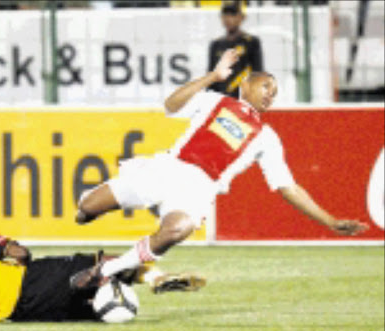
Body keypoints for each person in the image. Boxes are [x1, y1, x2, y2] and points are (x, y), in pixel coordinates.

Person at [70, 48, 369, 290]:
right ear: (246, 85)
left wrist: (329, 221)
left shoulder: (267, 137)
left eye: (275, 92)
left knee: (178, 229)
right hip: (167, 168)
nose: (270, 94)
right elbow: (171, 105)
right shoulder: (214, 101)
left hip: (199, 187)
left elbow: (287, 187)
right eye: (266, 86)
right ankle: (102, 239)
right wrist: (212, 76)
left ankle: (107, 270)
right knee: (85, 210)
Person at [0, 204, 205, 323]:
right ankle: (153, 277)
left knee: (95, 307)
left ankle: (95, 288)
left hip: (21, 314)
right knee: (99, 261)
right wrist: (8, 245)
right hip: (31, 282)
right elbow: (22, 255)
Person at [207, 0, 263, 98]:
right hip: (221, 100)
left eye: (232, 14)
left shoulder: (251, 42)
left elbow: (258, 73)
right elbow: (211, 77)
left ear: (242, 17)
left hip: (244, 100)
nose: (228, 19)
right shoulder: (216, 44)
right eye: (225, 15)